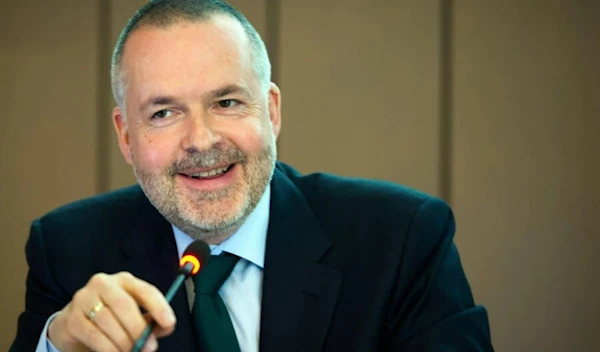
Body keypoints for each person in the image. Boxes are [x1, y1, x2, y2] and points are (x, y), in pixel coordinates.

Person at [10, 0, 494, 351]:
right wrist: (56, 345)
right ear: (125, 135)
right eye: (163, 113)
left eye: (226, 102)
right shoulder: (66, 249)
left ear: (272, 111)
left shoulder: (402, 238)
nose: (201, 141)